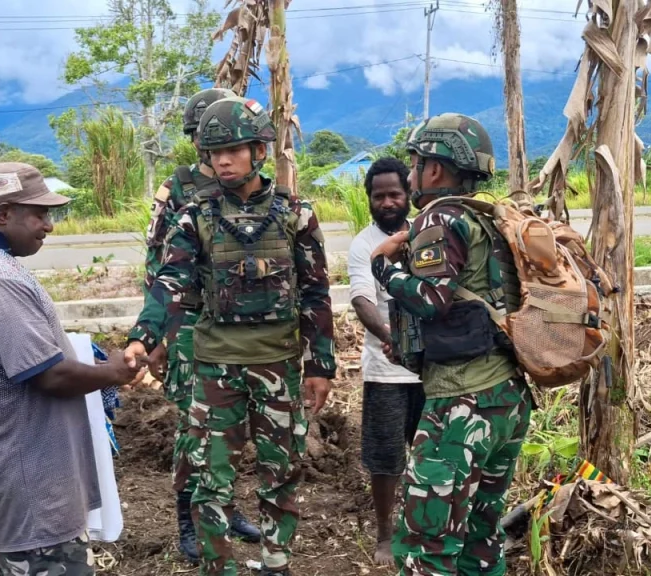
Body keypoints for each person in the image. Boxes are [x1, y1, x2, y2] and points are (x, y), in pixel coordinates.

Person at [124, 96, 336, 576]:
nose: (221, 160)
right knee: (209, 479)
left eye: (234, 150)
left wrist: (322, 365)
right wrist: (143, 335)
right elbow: (170, 283)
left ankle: (275, 563)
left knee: (280, 474)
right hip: (215, 370)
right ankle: (218, 568)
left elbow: (316, 293)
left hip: (279, 365)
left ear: (258, 151)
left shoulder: (295, 213)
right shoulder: (193, 217)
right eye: (213, 152)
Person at [0, 162, 144, 576]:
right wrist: (117, 372)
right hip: (31, 481)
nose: (48, 225)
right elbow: (51, 376)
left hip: (11, 471)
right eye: (40, 213)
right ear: (4, 214)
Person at [369, 114, 533, 576]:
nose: (410, 172)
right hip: (506, 398)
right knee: (481, 537)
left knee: (426, 547)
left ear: (435, 169)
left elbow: (433, 298)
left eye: (415, 162)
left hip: (462, 405)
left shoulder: (440, 217)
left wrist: (384, 266)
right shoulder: (485, 217)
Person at [132, 87, 260, 564]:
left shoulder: (255, 185)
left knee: (233, 425)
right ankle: (189, 519)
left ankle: (225, 507)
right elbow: (157, 264)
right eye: (213, 137)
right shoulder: (181, 186)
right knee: (195, 430)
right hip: (189, 327)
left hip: (241, 329)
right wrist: (162, 334)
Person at [346, 157, 425, 567]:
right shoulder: (364, 245)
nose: (388, 202)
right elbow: (362, 299)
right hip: (387, 372)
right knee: (385, 458)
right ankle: (384, 535)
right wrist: (392, 339)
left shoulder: (429, 234)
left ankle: (430, 529)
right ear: (370, 200)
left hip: (435, 371)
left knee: (436, 456)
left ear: (408, 193)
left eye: (395, 193)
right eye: (379, 196)